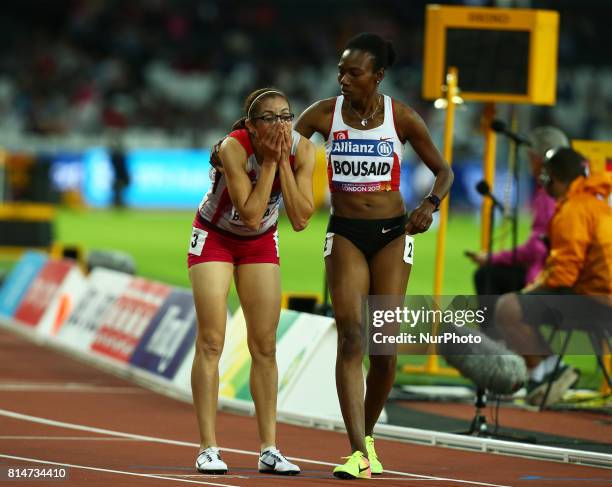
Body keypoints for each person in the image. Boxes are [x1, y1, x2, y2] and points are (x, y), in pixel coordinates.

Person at [295, 33, 453, 479]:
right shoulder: (323, 114)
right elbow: (281, 144)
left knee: (384, 351)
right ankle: (358, 453)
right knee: (350, 335)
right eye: (341, 71)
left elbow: (444, 171)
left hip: (391, 234)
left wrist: (430, 205)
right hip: (344, 232)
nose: (342, 78)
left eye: (353, 72)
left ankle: (366, 440)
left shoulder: (400, 117)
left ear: (378, 76)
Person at [188, 88, 315, 475]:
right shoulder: (234, 148)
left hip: (260, 242)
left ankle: (269, 449)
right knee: (212, 340)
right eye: (269, 118)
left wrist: (284, 163)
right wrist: (274, 164)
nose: (280, 124)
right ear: (250, 126)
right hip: (215, 236)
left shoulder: (304, 150)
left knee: (264, 345)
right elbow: (250, 212)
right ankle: (208, 448)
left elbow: (300, 218)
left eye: (286, 116)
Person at [495, 147, 612, 407]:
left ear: (553, 178)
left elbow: (563, 275)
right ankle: (549, 371)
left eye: (544, 176)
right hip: (598, 296)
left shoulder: (573, 210)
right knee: (523, 303)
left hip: (599, 303)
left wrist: (529, 292)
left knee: (508, 307)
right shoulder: (596, 203)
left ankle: (545, 372)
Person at [465, 126, 570, 295]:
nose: (530, 167)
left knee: (487, 276)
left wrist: (493, 258)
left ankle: (511, 320)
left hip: (556, 279)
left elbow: (537, 249)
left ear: (542, 160)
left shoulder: (549, 193)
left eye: (531, 160)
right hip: (576, 276)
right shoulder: (582, 183)